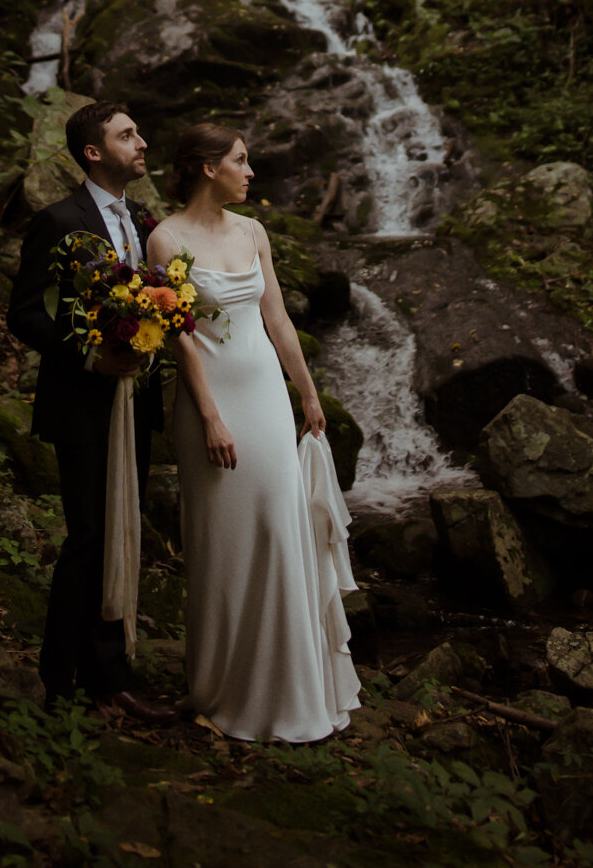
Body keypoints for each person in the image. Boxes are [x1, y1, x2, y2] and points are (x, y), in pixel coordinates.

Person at [146, 123, 361, 743]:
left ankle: (289, 690)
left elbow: (277, 319)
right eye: (242, 161)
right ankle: (222, 687)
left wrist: (308, 391)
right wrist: (210, 414)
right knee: (222, 541)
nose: (251, 171)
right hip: (209, 400)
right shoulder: (165, 238)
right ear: (207, 168)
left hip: (264, 394)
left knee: (277, 525)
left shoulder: (253, 232)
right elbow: (181, 333)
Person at [7, 100, 175, 723]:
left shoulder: (145, 220)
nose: (143, 143)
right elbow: (23, 312)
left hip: (135, 399)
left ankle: (109, 677)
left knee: (123, 535)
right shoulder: (58, 220)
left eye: (138, 131)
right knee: (89, 538)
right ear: (93, 153)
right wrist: (88, 357)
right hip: (81, 400)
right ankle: (62, 680)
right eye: (128, 135)